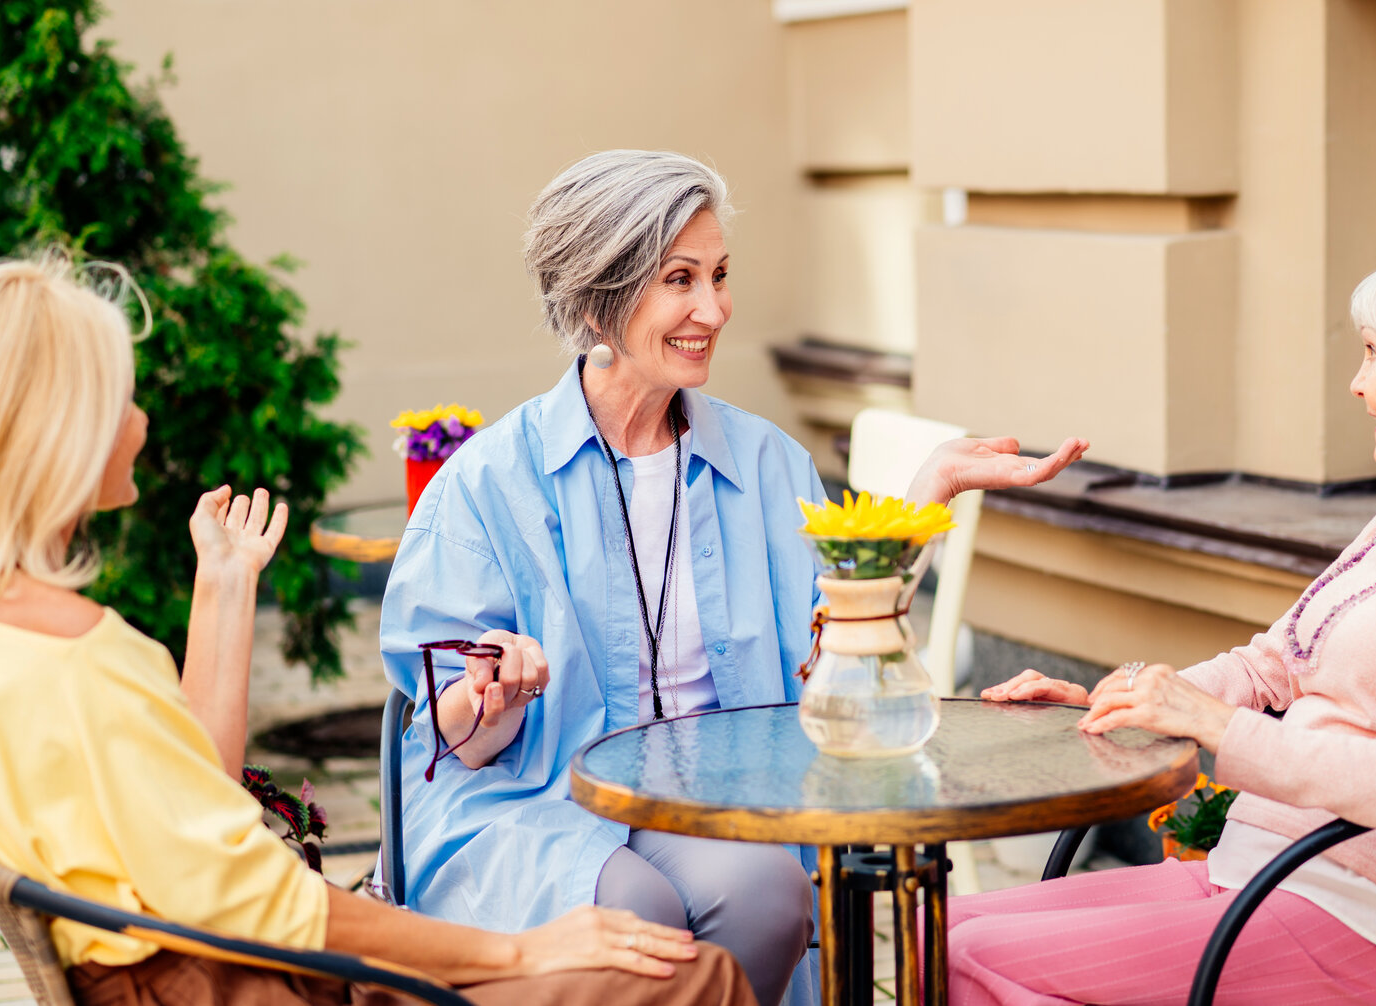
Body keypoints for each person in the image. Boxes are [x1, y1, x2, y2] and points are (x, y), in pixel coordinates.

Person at [378, 149, 1088, 1006]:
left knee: (768, 893)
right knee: (634, 915)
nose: (712, 309)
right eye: (679, 279)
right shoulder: (487, 483)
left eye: (718, 275)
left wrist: (924, 492)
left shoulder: (765, 464)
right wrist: (493, 695)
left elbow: (843, 653)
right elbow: (448, 739)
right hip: (532, 799)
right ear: (600, 295)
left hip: (705, 803)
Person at [0, 256, 757, 1006]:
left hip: (190, 970)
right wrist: (519, 949)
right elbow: (279, 908)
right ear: (66, 433)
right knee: (694, 976)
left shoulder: (20, 645)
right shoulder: (88, 660)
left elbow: (198, 802)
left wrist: (225, 589)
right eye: (122, 399)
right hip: (249, 979)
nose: (140, 420)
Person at [956, 225, 1376, 1005]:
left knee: (972, 962)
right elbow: (1274, 661)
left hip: (1375, 924)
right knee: (931, 936)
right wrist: (1128, 699)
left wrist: (1217, 728)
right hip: (1258, 872)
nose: (1357, 382)